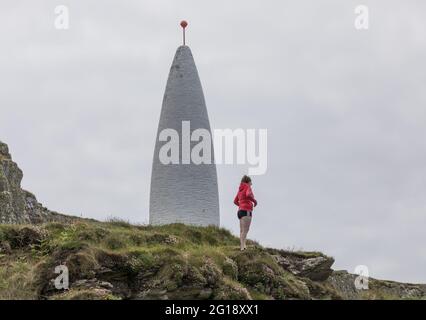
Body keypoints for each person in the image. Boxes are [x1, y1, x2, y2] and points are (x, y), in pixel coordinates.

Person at [234, 175, 257, 251]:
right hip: (246, 211)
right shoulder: (247, 187)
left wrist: (240, 205)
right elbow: (248, 195)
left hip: (240, 211)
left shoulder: (240, 190)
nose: (251, 184)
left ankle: (243, 246)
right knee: (246, 230)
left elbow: (235, 201)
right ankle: (242, 247)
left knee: (242, 230)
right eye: (251, 182)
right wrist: (254, 201)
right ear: (248, 181)